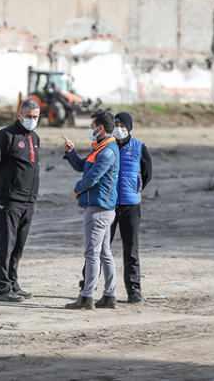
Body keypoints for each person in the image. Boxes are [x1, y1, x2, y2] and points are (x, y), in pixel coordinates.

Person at [0, 100, 41, 303]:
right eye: (29, 116)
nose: (32, 120)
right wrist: (0, 192)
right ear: (20, 115)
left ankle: (13, 283)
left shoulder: (35, 138)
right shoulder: (6, 135)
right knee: (6, 244)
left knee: (18, 245)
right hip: (9, 201)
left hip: (28, 202)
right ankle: (1, 288)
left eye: (36, 117)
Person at [63, 111, 120, 310]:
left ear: (101, 128)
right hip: (100, 207)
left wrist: (77, 190)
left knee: (92, 253)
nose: (91, 130)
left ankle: (87, 297)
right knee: (103, 253)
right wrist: (71, 153)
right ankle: (109, 295)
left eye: (92, 126)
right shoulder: (100, 149)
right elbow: (83, 167)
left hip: (99, 208)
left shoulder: (107, 152)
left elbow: (92, 178)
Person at [111, 112, 152, 304]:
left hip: (131, 205)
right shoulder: (107, 145)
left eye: (122, 125)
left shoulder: (139, 147)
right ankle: (88, 286)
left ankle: (134, 290)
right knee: (99, 248)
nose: (118, 128)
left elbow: (147, 173)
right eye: (115, 124)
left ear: (129, 128)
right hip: (108, 205)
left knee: (131, 250)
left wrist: (134, 189)